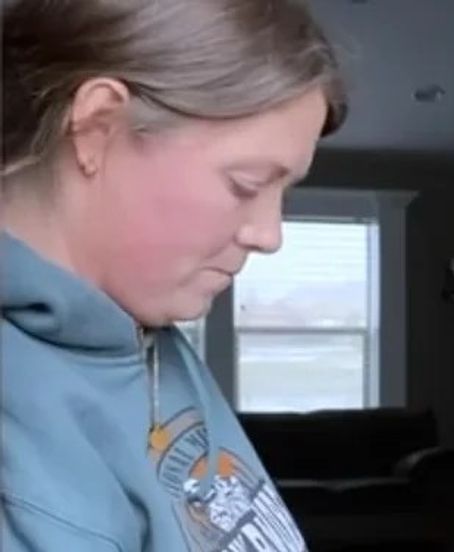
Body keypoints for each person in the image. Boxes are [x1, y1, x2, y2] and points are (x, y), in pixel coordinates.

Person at [1, 0, 347, 550]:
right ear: (97, 127)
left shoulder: (136, 326)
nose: (270, 234)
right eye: (247, 183)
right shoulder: (18, 447)